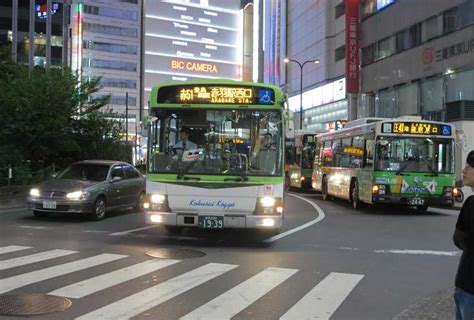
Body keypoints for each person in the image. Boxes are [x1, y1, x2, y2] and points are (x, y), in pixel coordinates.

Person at [453, 150, 474, 320]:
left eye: (469, 166)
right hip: (464, 286)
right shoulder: (470, 202)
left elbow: (460, 238)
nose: (464, 171)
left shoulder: (471, 204)